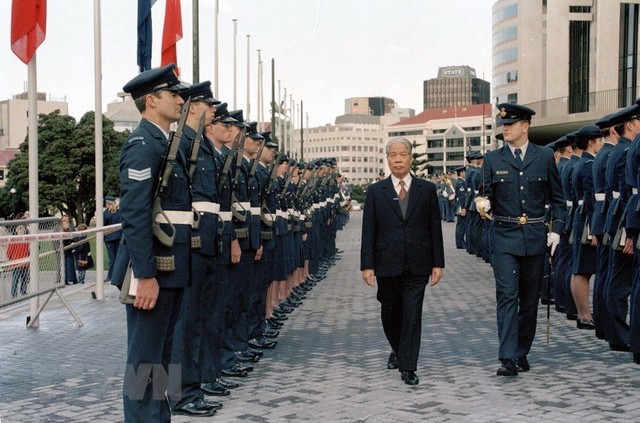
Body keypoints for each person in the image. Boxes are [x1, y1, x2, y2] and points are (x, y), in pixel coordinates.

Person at [114, 63, 190, 422]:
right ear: (151, 100)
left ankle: (159, 418)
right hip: (153, 271)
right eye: (173, 93)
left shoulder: (164, 142)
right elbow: (134, 214)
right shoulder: (143, 145)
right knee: (144, 360)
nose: (180, 100)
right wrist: (145, 275)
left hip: (171, 269)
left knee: (163, 356)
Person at [479, 103, 564, 376]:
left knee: (529, 300)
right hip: (504, 237)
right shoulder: (493, 159)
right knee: (507, 296)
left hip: (535, 238)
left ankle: (521, 351)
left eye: (510, 125)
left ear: (525, 127)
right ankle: (507, 357)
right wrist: (482, 202)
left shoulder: (544, 156)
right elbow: (484, 194)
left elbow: (558, 199)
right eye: (503, 125)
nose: (505, 129)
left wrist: (556, 230)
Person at [360, 137, 445, 386]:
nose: (398, 159)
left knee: (412, 313)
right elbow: (368, 230)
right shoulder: (376, 191)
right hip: (387, 263)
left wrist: (438, 263)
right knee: (390, 313)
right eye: (393, 155)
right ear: (387, 159)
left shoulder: (426, 189)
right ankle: (397, 349)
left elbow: (435, 228)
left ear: (410, 158)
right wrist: (367, 265)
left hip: (418, 263)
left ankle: (408, 366)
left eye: (402, 155)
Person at [569, 125, 603, 330]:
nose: (601, 143)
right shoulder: (589, 165)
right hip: (587, 219)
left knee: (578, 269)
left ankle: (582, 313)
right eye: (599, 140)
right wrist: (594, 228)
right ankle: (585, 314)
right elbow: (590, 199)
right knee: (583, 270)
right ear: (591, 142)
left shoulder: (580, 163)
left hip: (579, 217)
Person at [103, 195, 122, 282]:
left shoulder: (105, 214)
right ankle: (118, 276)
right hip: (118, 237)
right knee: (118, 258)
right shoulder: (119, 212)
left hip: (109, 238)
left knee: (112, 259)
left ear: (108, 204)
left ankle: (110, 276)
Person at [7, 225, 29, 298]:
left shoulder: (26, 240)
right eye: (20, 231)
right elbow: (9, 251)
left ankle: (23, 291)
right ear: (17, 231)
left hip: (24, 262)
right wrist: (11, 259)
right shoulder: (14, 240)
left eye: (22, 231)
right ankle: (14, 293)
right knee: (15, 279)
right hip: (16, 263)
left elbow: (29, 250)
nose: (21, 232)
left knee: (24, 278)